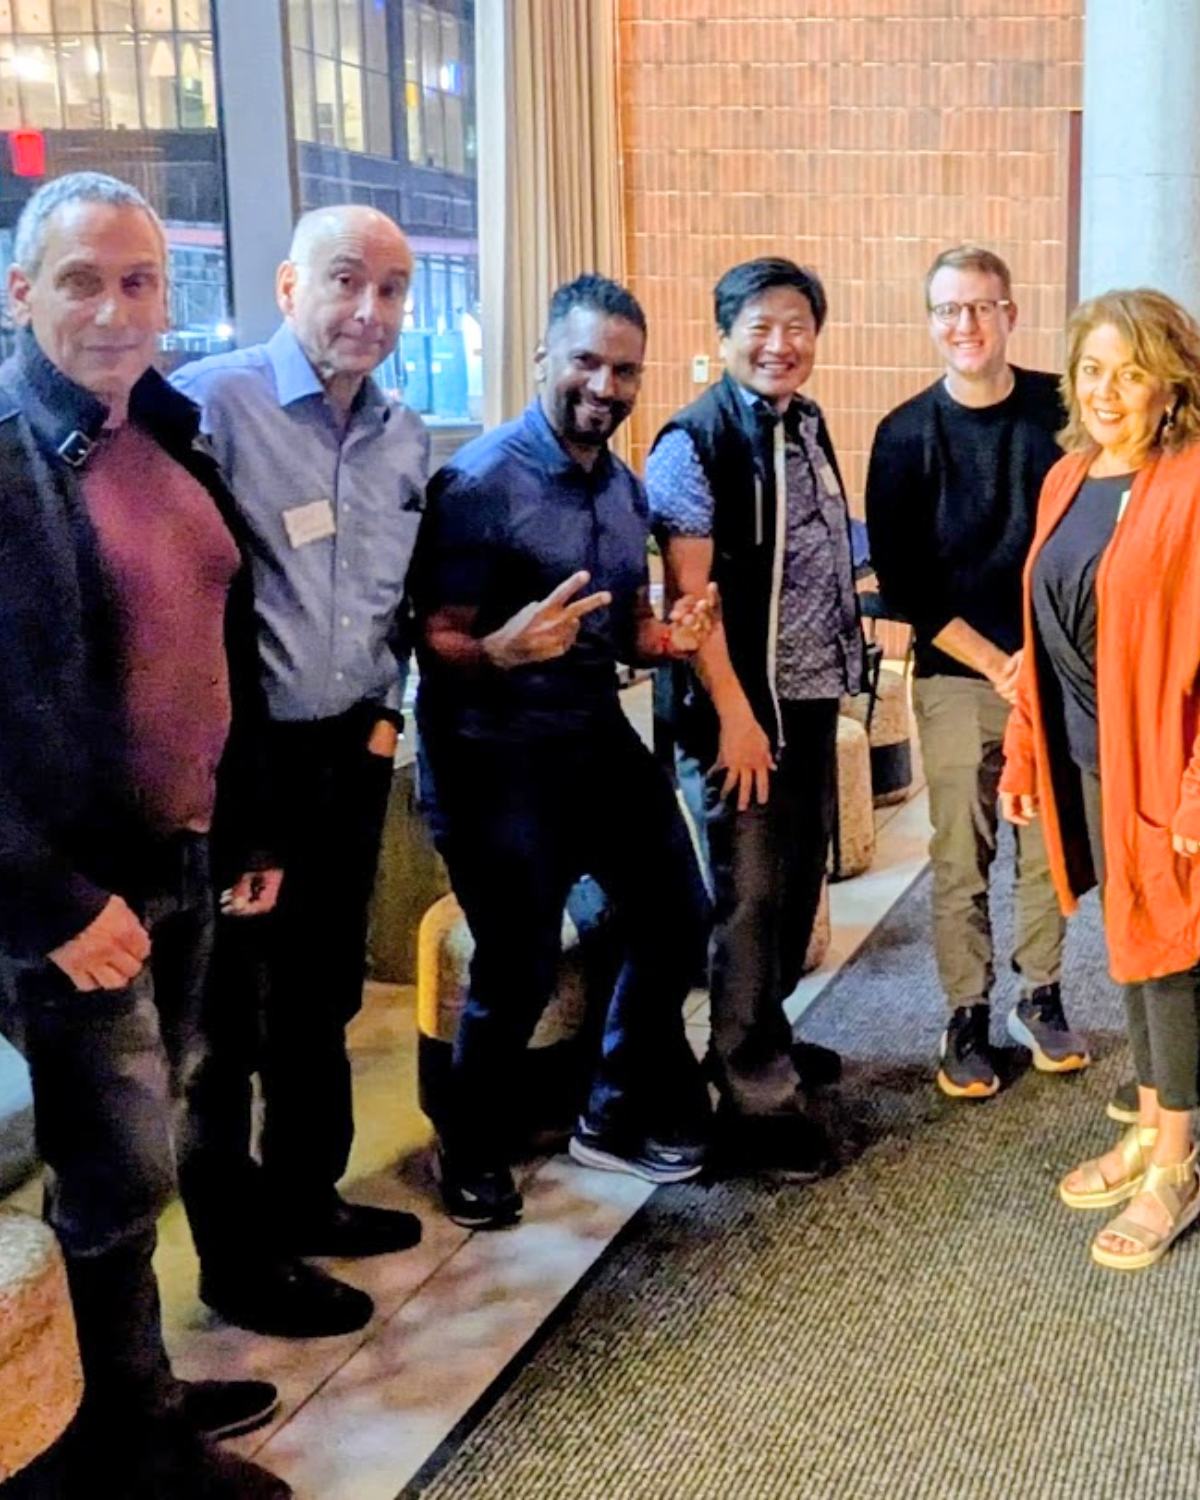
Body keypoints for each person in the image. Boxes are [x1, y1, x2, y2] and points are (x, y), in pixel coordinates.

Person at [0, 173, 290, 1497]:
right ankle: (127, 1447)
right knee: (116, 1172)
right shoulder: (8, 460)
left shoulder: (166, 439)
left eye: (138, 282)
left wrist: (244, 827)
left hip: (184, 861)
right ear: (21, 292)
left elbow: (214, 649)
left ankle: (130, 1390)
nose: (115, 309)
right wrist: (50, 902)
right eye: (82, 281)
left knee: (150, 1140)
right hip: (74, 889)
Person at [415, 273, 717, 1229]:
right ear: (543, 356)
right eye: (586, 361)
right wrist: (500, 650)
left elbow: (625, 630)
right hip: (490, 754)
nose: (604, 385)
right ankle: (468, 1144)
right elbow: (433, 637)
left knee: (679, 916)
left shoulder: (624, 490)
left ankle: (612, 1104)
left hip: (589, 735)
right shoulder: (479, 483)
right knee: (517, 963)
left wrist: (669, 639)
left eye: (624, 370)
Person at [171, 205, 426, 1338]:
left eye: (391, 290)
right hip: (242, 766)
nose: (369, 310)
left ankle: (306, 1198)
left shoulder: (403, 434)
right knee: (226, 1025)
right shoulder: (209, 407)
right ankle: (238, 1263)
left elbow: (396, 599)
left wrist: (385, 720)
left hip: (349, 755)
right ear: (288, 288)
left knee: (324, 993)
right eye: (345, 281)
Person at [645, 257, 862, 1179]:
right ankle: (752, 1095)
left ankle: (763, 1033)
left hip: (807, 700)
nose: (781, 344)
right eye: (761, 327)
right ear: (724, 336)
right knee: (752, 895)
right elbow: (694, 605)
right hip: (741, 710)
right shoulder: (694, 443)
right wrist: (737, 718)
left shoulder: (802, 421)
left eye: (798, 327)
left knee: (798, 881)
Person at [1002, 288, 1200, 1270]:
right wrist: (1026, 748)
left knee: (1174, 955)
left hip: (1166, 759)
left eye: (1131, 372)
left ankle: (1177, 1163)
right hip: (1091, 754)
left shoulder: (1193, 482)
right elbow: (1041, 633)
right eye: (1092, 370)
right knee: (1131, 943)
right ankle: (1153, 1122)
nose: (1107, 390)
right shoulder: (1069, 476)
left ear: (1172, 385)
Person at [866, 244, 1086, 1099]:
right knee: (963, 850)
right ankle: (966, 1012)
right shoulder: (903, 436)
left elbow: (1086, 536)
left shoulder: (1061, 412)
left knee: (1046, 846)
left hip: (1054, 665)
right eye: (949, 310)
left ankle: (1041, 992)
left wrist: (1045, 654)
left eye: (982, 307)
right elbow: (906, 583)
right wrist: (999, 664)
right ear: (932, 323)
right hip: (959, 671)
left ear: (1010, 315)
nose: (966, 324)